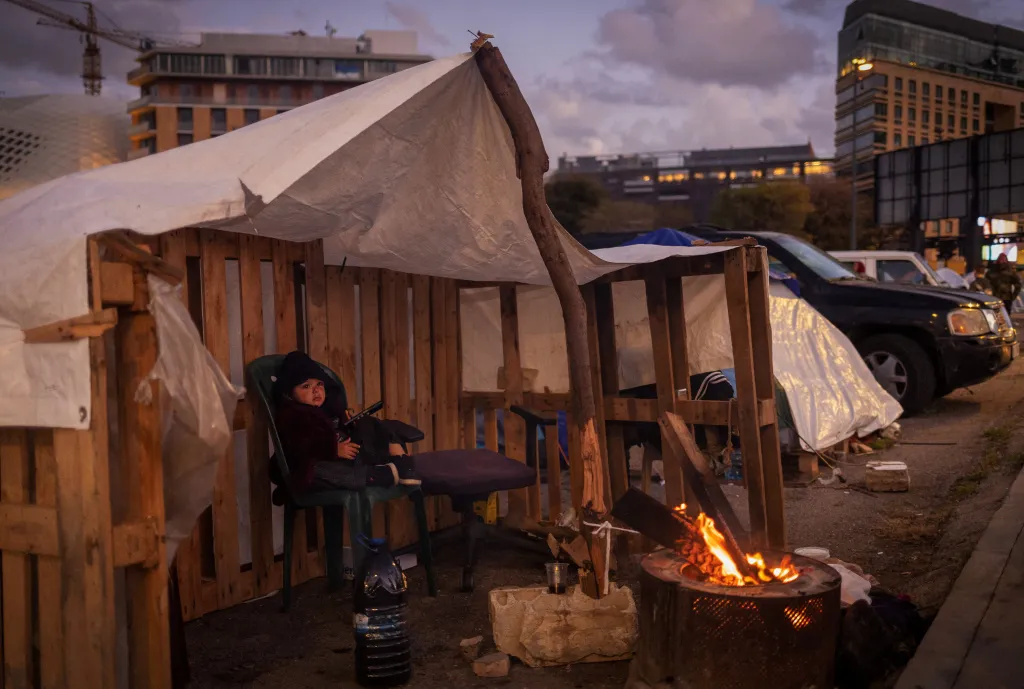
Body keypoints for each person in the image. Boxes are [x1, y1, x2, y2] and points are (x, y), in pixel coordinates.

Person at [273, 351, 419, 493]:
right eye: (306, 386)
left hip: (346, 458)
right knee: (319, 471)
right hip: (310, 467)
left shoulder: (328, 410)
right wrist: (333, 449)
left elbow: (337, 429)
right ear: (289, 393)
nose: (316, 390)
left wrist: (349, 424)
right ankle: (375, 475)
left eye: (319, 384)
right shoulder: (292, 415)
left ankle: (400, 460)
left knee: (369, 423)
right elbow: (300, 446)